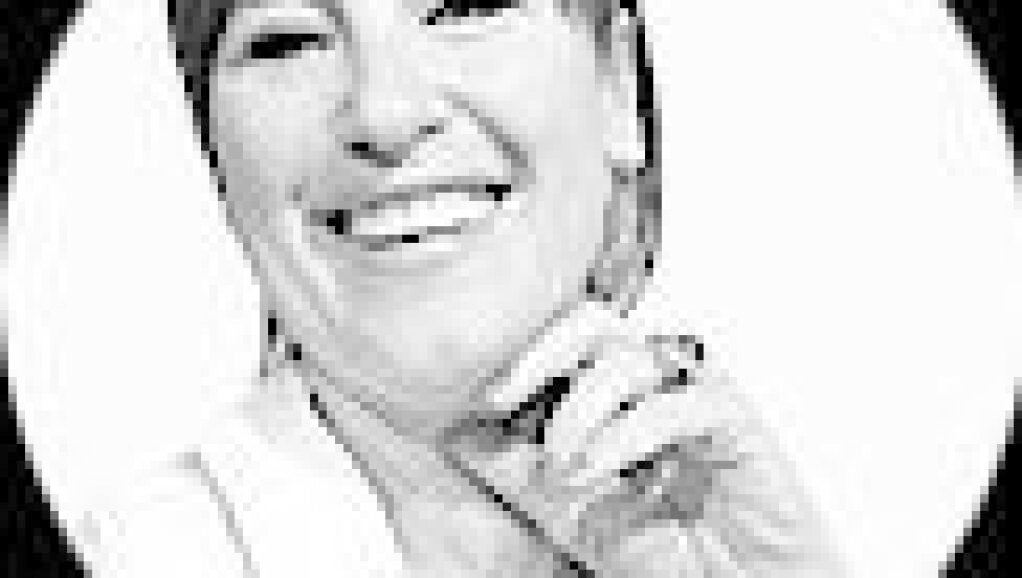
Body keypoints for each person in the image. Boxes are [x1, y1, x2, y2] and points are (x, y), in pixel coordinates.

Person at [73, 1, 847, 576]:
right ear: (216, 156)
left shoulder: (784, 528)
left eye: (468, 5)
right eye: (289, 40)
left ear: (615, 82)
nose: (386, 112)